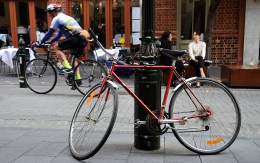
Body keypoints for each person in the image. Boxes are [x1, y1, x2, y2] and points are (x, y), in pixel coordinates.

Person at [36, 3, 89, 84]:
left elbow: (49, 33)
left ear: (53, 12)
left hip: (75, 37)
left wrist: (40, 43)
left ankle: (67, 68)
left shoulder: (56, 18)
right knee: (73, 59)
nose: (49, 16)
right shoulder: (67, 17)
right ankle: (78, 80)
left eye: (49, 13)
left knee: (56, 47)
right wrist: (51, 41)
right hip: (83, 38)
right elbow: (60, 34)